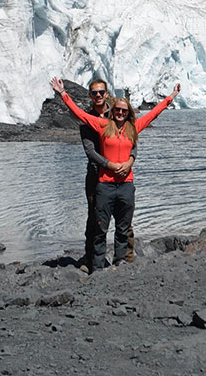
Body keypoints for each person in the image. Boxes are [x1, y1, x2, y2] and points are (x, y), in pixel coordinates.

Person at [51, 76, 180, 271]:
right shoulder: (101, 125)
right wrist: (63, 94)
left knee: (123, 225)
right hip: (103, 180)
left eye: (123, 110)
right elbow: (79, 116)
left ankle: (122, 261)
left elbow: (153, 114)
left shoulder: (132, 128)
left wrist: (171, 97)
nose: (120, 112)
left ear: (127, 113)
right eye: (117, 110)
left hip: (126, 182)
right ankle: (95, 264)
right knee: (98, 224)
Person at [76, 78, 134, 272]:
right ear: (90, 96)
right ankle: (91, 260)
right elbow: (90, 151)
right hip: (96, 175)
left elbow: (133, 140)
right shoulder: (87, 121)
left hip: (120, 174)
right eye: (95, 93)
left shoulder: (118, 112)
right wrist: (109, 164)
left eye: (101, 92)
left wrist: (130, 160)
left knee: (124, 217)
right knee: (95, 217)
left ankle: (126, 257)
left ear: (107, 93)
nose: (98, 96)